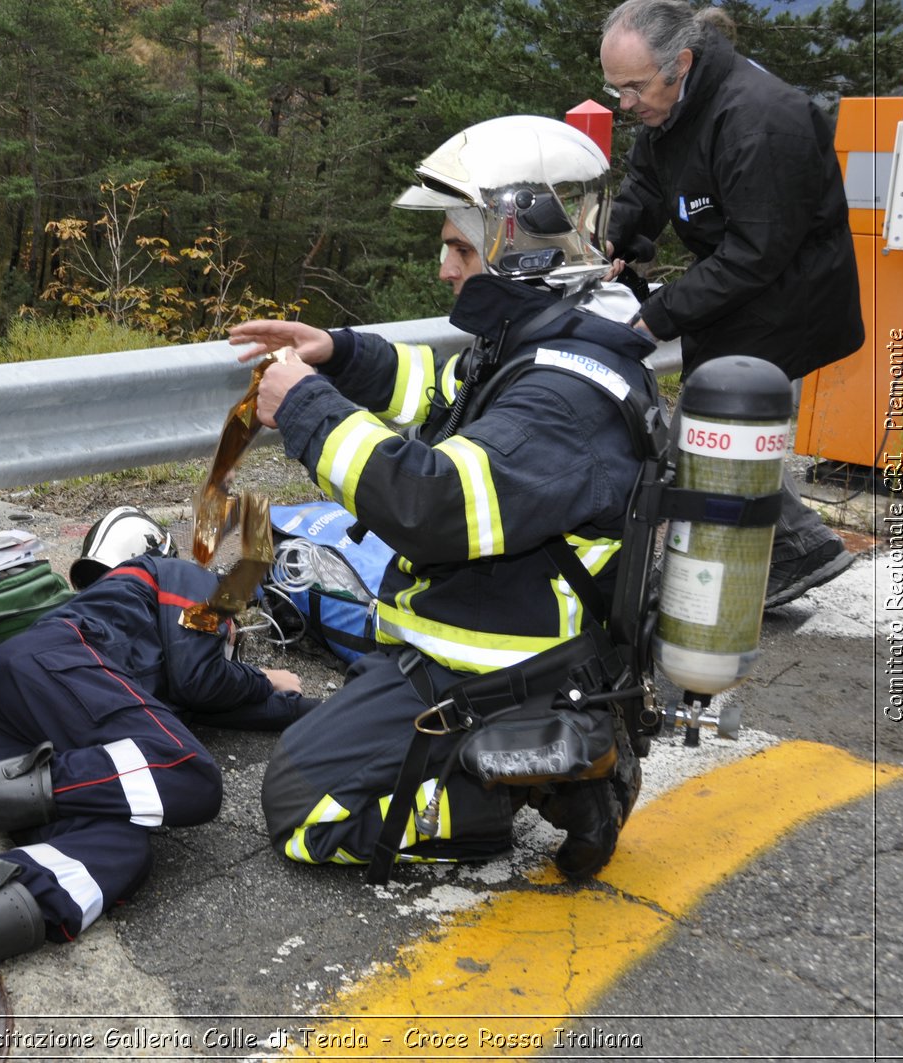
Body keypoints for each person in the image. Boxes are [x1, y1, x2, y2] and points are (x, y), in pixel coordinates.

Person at [228, 116, 657, 885]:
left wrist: (304, 407)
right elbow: (442, 397)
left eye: (460, 247)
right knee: (336, 726)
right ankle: (517, 758)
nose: (444, 268)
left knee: (304, 806)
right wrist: (341, 354)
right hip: (466, 635)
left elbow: (434, 506)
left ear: (517, 244)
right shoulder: (544, 343)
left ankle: (523, 781)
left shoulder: (563, 395)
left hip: (505, 667)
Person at [0, 506, 314, 1053]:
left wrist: (310, 707)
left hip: (18, 739)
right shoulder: (186, 578)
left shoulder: (138, 654)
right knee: (190, 774)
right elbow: (205, 677)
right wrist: (262, 679)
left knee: (119, 849)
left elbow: (206, 693)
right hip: (52, 672)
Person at [600, 0, 861, 608]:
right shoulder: (671, 103)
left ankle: (796, 545)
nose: (625, 104)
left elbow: (755, 252)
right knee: (711, 423)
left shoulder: (762, 121)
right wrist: (618, 240)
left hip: (788, 292)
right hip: (741, 281)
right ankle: (785, 545)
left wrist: (658, 315)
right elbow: (647, 183)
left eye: (633, 89)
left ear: (681, 63)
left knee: (710, 421)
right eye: (614, 90)